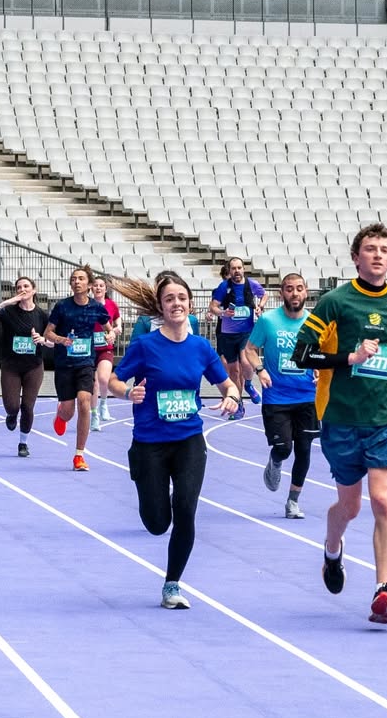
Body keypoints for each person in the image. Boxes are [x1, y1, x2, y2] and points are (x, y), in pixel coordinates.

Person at [291, 223, 387, 625]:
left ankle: (383, 589)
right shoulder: (334, 302)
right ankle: (332, 548)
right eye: (370, 249)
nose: (378, 255)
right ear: (356, 257)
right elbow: (302, 356)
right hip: (341, 418)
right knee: (350, 505)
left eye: (384, 250)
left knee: (383, 499)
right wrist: (350, 358)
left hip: (385, 417)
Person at [110, 273, 241, 609]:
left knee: (185, 507)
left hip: (189, 440)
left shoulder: (200, 347)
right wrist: (127, 392)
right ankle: (152, 494)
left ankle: (172, 584)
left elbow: (227, 384)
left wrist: (232, 396)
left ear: (190, 304)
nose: (176, 304)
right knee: (157, 523)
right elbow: (113, 380)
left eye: (181, 297)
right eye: (169, 299)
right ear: (161, 306)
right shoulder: (145, 345)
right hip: (150, 442)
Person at [243, 272, 318, 520]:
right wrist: (260, 370)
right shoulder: (268, 321)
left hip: (307, 396)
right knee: (284, 448)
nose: (294, 293)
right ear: (281, 293)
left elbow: (324, 353)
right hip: (277, 398)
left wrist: (321, 369)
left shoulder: (314, 323)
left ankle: (293, 501)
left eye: (299, 288)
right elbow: (250, 350)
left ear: (306, 291)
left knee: (304, 450)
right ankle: (275, 461)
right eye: (289, 289)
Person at [44, 265, 111, 472]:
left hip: (85, 363)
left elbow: (110, 327)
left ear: (89, 285)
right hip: (64, 364)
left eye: (81, 278)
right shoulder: (62, 307)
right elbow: (47, 333)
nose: (76, 281)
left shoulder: (96, 307)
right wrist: (61, 340)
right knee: (68, 411)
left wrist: (111, 335)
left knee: (84, 401)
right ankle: (61, 414)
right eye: (73, 279)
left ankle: (79, 455)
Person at [0, 276, 49, 458]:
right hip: (11, 366)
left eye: (26, 286)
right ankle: (11, 415)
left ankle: (23, 443)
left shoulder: (42, 316)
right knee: (13, 406)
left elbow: (52, 340)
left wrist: (43, 340)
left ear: (34, 290)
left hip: (33, 366)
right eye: (19, 287)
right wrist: (9, 302)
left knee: (27, 407)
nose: (23, 289)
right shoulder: (9, 312)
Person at [208, 257, 266, 412]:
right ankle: (238, 404)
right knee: (233, 370)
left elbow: (264, 294)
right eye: (233, 268)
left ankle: (248, 384)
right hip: (227, 334)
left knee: (246, 362)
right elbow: (213, 307)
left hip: (246, 332)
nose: (237, 271)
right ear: (230, 271)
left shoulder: (251, 284)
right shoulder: (223, 287)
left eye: (239, 268)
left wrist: (260, 306)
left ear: (243, 269)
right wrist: (223, 313)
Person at [90, 274, 121, 432]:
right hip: (89, 349)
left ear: (105, 288)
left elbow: (117, 320)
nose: (98, 288)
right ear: (91, 288)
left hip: (105, 348)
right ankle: (94, 415)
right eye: (95, 285)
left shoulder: (111, 304)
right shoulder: (86, 305)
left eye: (101, 285)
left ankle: (103, 403)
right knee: (93, 383)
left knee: (103, 379)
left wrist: (116, 329)